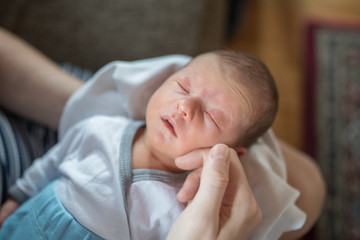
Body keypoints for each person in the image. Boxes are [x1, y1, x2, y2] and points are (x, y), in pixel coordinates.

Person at [0, 28, 326, 239]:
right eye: (182, 86)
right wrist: (17, 197)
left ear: (228, 155)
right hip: (25, 221)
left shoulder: (188, 208)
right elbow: (54, 161)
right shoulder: (101, 127)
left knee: (310, 185)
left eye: (212, 117)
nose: (186, 106)